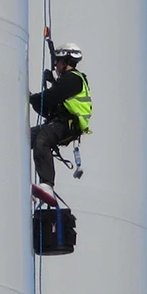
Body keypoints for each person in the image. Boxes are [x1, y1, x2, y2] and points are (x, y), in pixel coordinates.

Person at [29, 42, 91, 199]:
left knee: (42, 139)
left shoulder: (73, 79)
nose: (56, 65)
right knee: (27, 137)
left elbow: (51, 97)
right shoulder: (65, 81)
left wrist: (31, 97)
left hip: (68, 124)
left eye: (58, 62)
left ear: (66, 62)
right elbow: (47, 106)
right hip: (59, 121)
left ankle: (47, 185)